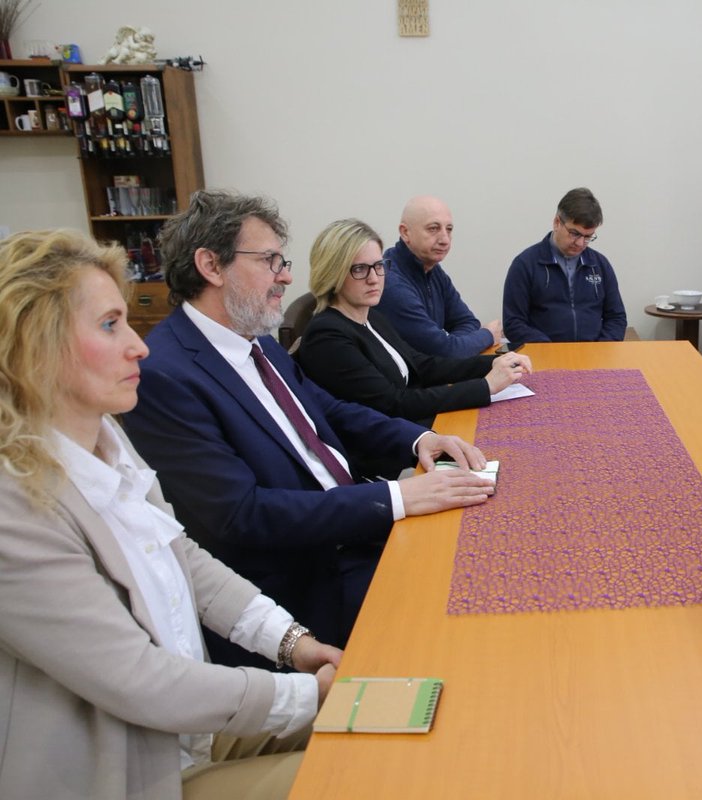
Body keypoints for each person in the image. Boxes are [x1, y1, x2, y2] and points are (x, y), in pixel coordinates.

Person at [0, 229, 343, 799]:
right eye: (110, 325)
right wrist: (310, 693)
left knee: (393, 721)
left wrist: (295, 643)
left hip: (187, 733)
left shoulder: (107, 438)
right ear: (37, 346)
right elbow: (138, 680)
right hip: (130, 772)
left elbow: (182, 556)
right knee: (366, 774)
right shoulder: (16, 507)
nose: (139, 346)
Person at [122, 191, 495, 668]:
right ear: (211, 266)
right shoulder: (165, 375)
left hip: (356, 526)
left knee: (489, 546)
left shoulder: (255, 340)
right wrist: (397, 498)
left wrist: (419, 439)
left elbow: (329, 410)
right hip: (306, 585)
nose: (286, 276)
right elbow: (243, 515)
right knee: (469, 637)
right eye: (270, 261)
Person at [296, 218, 533, 428]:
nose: (374, 278)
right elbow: (395, 404)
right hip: (395, 447)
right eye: (359, 269)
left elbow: (423, 366)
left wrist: (493, 363)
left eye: (379, 266)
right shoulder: (327, 336)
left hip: (417, 424)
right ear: (332, 273)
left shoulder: (371, 316)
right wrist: (486, 387)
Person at [377, 195, 502, 357]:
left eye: (449, 229)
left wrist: (453, 344)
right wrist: (487, 335)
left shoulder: (432, 269)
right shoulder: (390, 281)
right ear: (405, 232)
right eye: (433, 228)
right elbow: (447, 352)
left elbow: (467, 321)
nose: (445, 240)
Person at [502, 187, 627, 343]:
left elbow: (616, 317)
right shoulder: (525, 264)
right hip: (543, 352)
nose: (580, 243)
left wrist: (602, 347)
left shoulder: (599, 265)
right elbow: (513, 323)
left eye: (588, 237)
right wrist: (547, 349)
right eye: (574, 233)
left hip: (594, 352)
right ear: (557, 223)